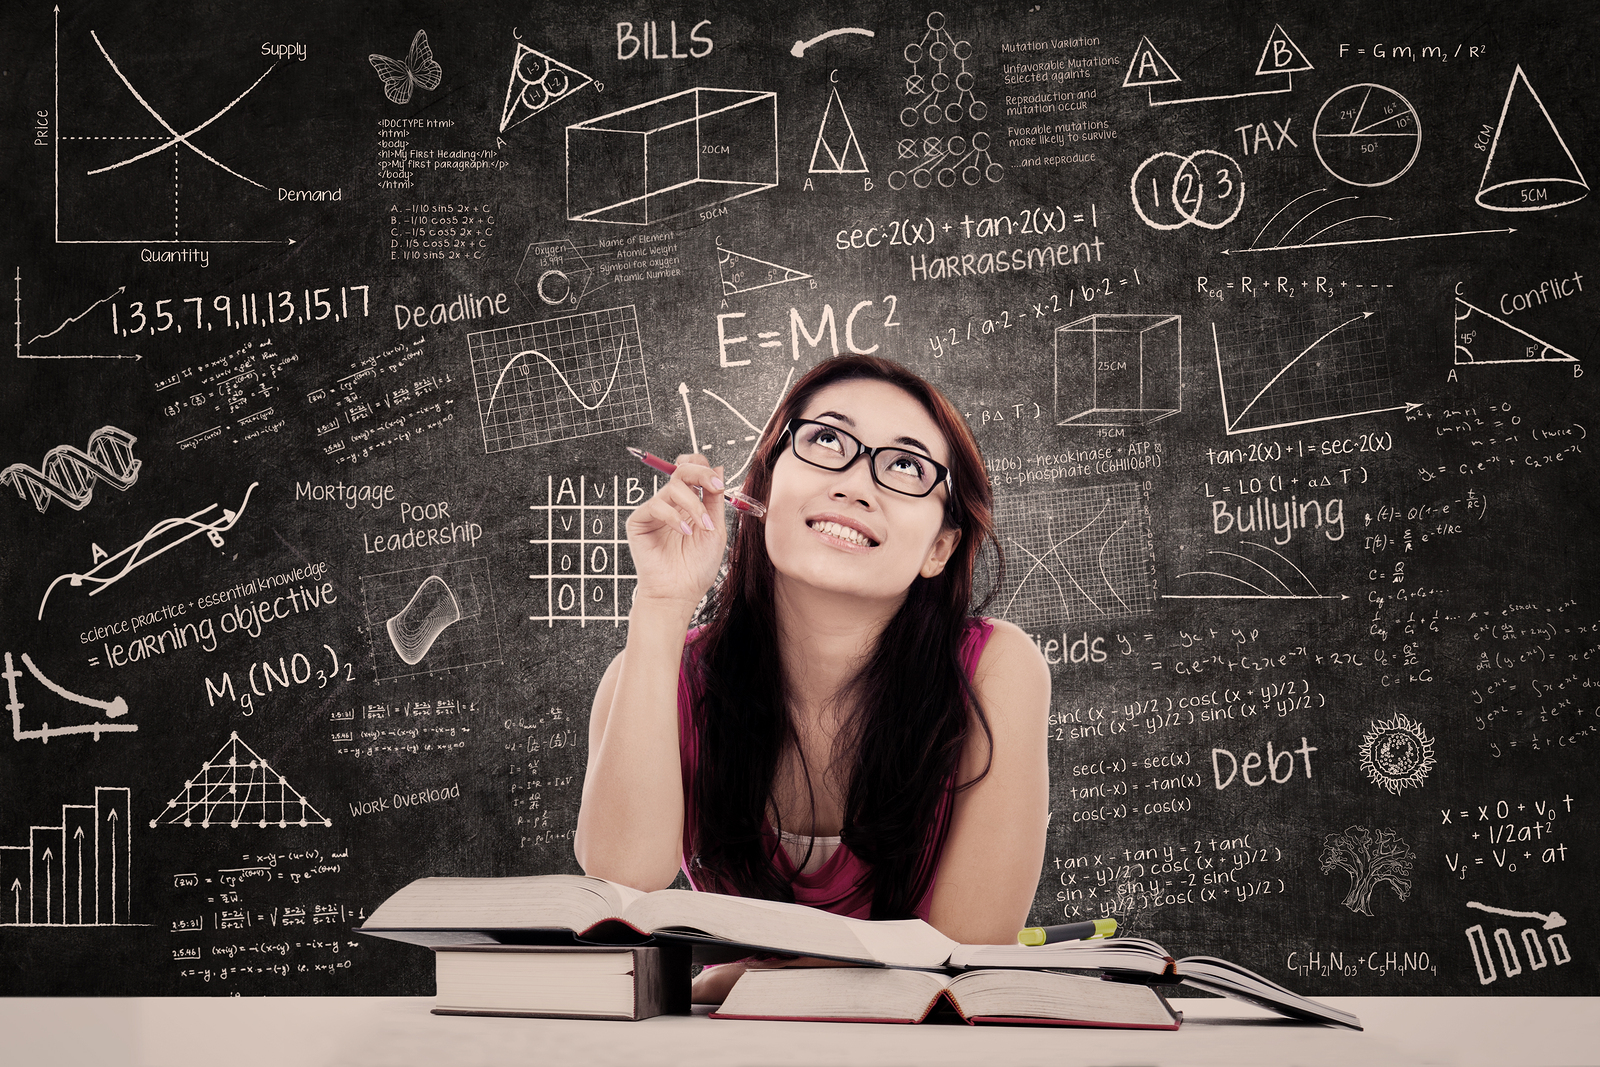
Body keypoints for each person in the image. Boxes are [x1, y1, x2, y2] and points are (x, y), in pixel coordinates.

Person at [575, 355, 1050, 1002]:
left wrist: (749, 977)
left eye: (906, 465)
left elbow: (966, 953)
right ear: (764, 488)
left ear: (940, 547)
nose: (855, 485)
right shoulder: (658, 674)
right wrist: (662, 602)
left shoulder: (996, 669)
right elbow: (623, 881)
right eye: (827, 438)